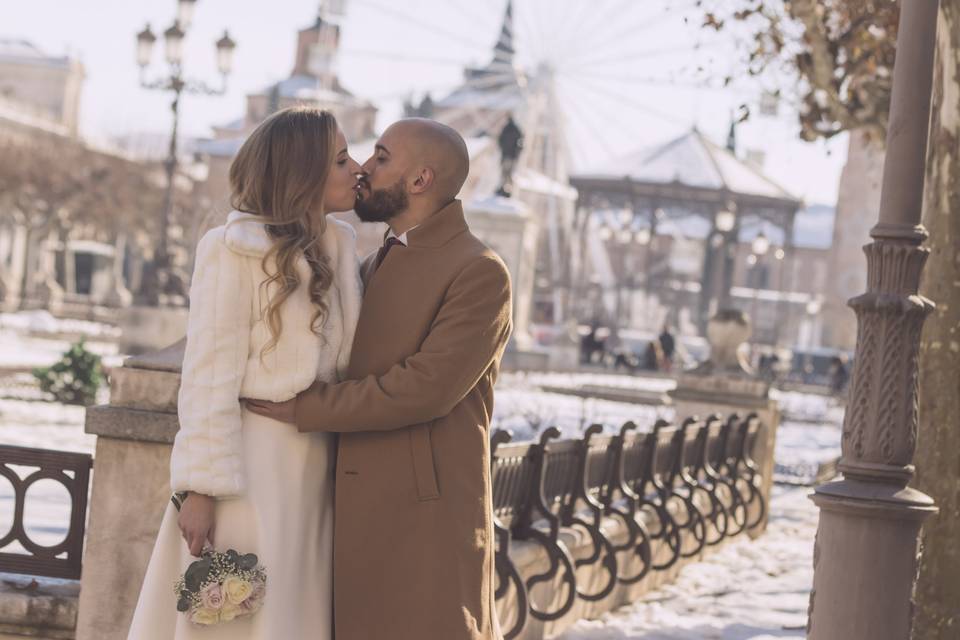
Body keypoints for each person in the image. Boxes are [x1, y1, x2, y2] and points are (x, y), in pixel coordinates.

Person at [245, 118, 513, 640]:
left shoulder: (479, 270)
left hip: (423, 519)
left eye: (382, 157)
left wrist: (307, 408)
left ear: (419, 181)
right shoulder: (370, 264)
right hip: (349, 510)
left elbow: (424, 388)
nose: (364, 169)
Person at [127, 107, 364, 640]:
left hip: (315, 466)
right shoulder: (230, 249)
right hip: (246, 469)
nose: (358, 170)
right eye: (342, 160)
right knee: (233, 620)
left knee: (293, 614)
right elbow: (208, 373)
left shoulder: (340, 245)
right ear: (302, 171)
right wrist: (201, 488)